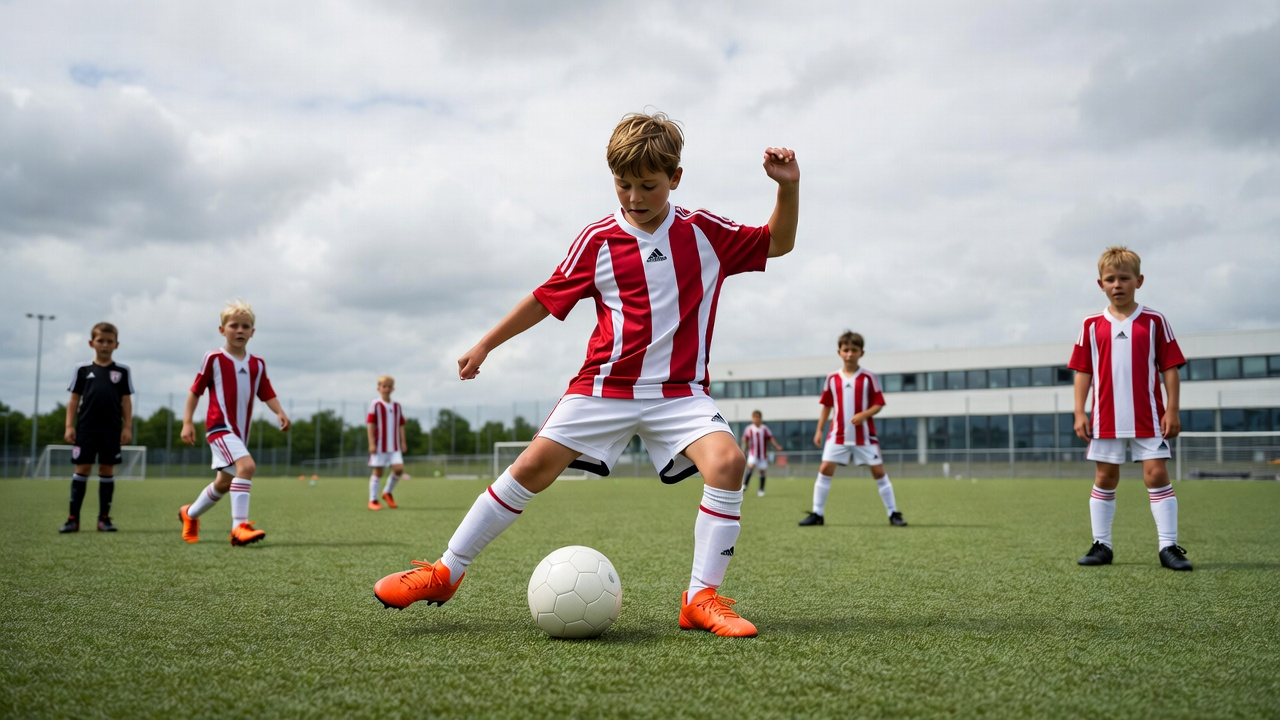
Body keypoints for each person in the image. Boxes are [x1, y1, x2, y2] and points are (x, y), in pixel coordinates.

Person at [374, 110, 799, 637]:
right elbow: (545, 297)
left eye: (648, 185)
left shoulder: (705, 233)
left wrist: (787, 190)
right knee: (530, 467)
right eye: (623, 185)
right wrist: (486, 343)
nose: (634, 197)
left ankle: (700, 598)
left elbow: (776, 243)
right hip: (604, 387)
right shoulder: (598, 240)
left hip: (678, 393)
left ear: (675, 179)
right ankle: (445, 572)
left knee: (729, 462)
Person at [1071, 246, 1190, 571]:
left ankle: (1168, 547)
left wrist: (1172, 409)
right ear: (1101, 284)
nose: (1117, 284)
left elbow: (1170, 369)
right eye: (1110, 279)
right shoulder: (1091, 324)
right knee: (1105, 477)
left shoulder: (1154, 321)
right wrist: (1080, 412)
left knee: (1156, 474)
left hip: (1149, 417)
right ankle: (1102, 545)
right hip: (1105, 418)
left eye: (1124, 278)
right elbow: (1083, 371)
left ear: (1138, 280)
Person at [177, 301, 290, 546]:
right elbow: (195, 391)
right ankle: (238, 527)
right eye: (234, 326)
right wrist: (187, 422)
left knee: (224, 483)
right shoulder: (214, 358)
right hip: (219, 428)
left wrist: (279, 411)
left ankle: (189, 513)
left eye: (245, 326)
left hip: (240, 434)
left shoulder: (256, 364)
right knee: (247, 467)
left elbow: (266, 392)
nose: (239, 330)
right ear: (222, 330)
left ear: (253, 332)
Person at [799, 331, 907, 528]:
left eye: (854, 350)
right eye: (846, 350)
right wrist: (819, 430)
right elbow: (827, 406)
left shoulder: (868, 378)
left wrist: (864, 415)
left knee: (879, 472)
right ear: (839, 352)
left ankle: (893, 513)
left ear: (861, 353)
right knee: (824, 469)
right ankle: (817, 513)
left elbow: (879, 404)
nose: (850, 354)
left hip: (865, 437)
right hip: (837, 436)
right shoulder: (832, 378)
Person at [58, 322, 134, 533]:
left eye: (109, 341)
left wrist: (127, 427)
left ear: (116, 345)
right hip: (85, 430)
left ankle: (104, 519)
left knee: (106, 470)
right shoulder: (82, 370)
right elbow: (74, 400)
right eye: (101, 341)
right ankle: (73, 519)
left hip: (111, 430)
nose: (105, 345)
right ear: (92, 343)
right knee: (82, 469)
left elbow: (126, 401)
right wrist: (68, 426)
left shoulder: (122, 371)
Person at [367, 375, 408, 510]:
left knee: (399, 469)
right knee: (378, 471)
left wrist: (403, 441)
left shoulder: (396, 406)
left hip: (394, 446)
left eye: (389, 386)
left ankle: (387, 492)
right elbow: (371, 424)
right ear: (379, 388)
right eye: (384, 386)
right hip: (380, 445)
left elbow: (401, 425)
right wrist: (371, 443)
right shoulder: (376, 404)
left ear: (393, 388)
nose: (387, 388)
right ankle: (373, 499)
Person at [741, 410, 782, 497]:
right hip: (753, 453)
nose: (755, 420)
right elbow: (745, 440)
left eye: (757, 418)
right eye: (754, 418)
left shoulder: (764, 428)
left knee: (762, 472)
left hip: (762, 455)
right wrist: (743, 451)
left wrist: (777, 446)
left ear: (760, 419)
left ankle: (761, 489)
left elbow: (771, 438)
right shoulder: (749, 429)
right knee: (751, 466)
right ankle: (745, 484)